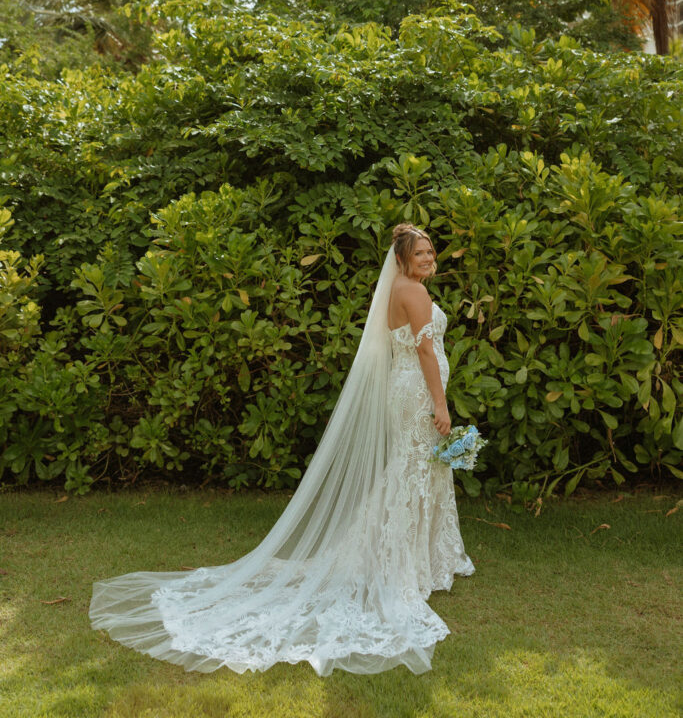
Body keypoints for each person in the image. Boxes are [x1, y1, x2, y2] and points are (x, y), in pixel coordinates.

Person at [90, 223, 473, 676]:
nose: (429, 258)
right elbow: (426, 352)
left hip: (405, 391)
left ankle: (416, 557)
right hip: (418, 395)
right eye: (422, 253)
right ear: (403, 259)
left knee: (415, 471)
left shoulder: (399, 289)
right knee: (414, 471)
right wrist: (441, 403)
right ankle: (402, 563)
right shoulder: (414, 293)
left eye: (432, 252)